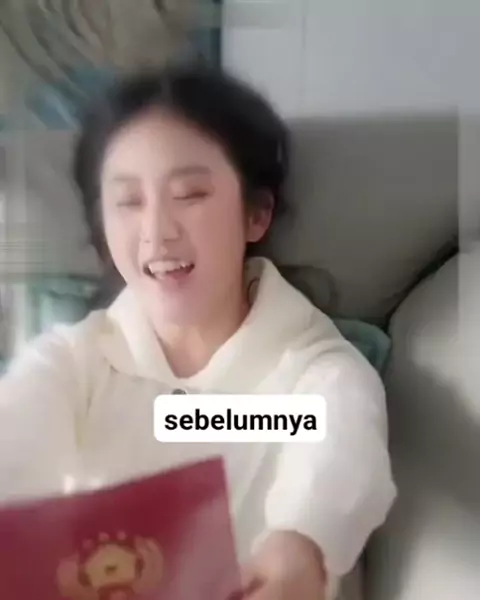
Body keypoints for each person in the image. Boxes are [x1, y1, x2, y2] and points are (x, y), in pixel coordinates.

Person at [0, 65, 396, 599]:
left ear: (256, 215)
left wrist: (302, 543)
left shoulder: (313, 374)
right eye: (128, 202)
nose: (156, 232)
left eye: (189, 194)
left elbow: (340, 451)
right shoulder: (72, 364)